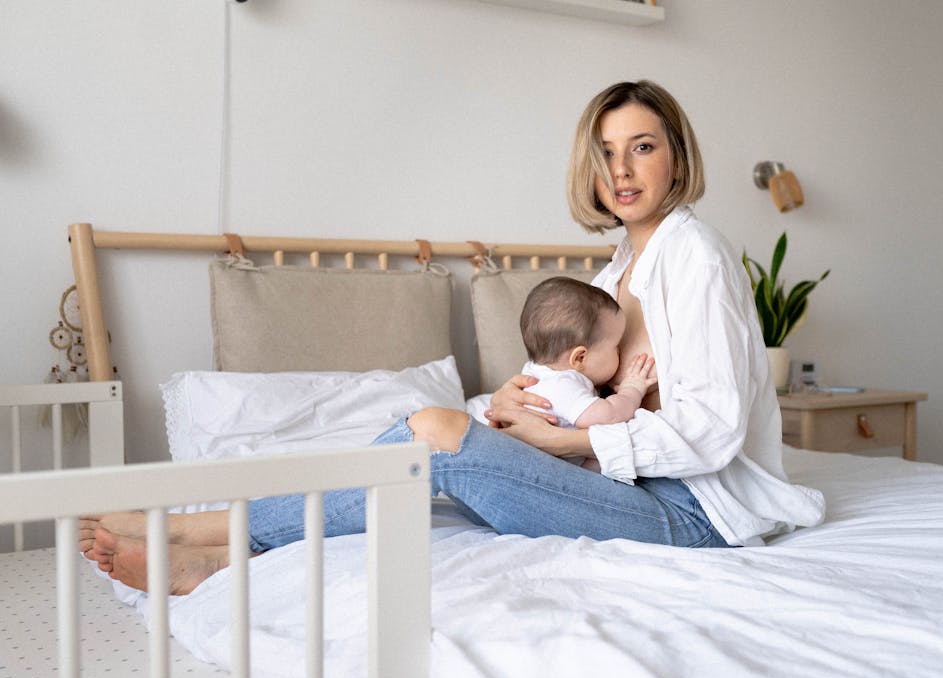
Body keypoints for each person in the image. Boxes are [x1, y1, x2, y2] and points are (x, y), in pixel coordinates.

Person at [81, 80, 826, 595]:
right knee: (430, 425)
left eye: (642, 146)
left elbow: (717, 428)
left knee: (438, 435)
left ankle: (206, 540)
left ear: (676, 155)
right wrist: (510, 403)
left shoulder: (695, 254)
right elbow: (583, 388)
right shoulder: (618, 267)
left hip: (697, 513)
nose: (622, 170)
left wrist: (557, 443)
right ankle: (209, 538)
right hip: (630, 481)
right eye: (607, 151)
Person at [518, 276, 657, 472]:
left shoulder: (538, 371)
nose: (620, 351)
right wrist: (631, 389)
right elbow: (609, 416)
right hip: (548, 471)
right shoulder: (562, 385)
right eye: (616, 346)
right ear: (580, 358)